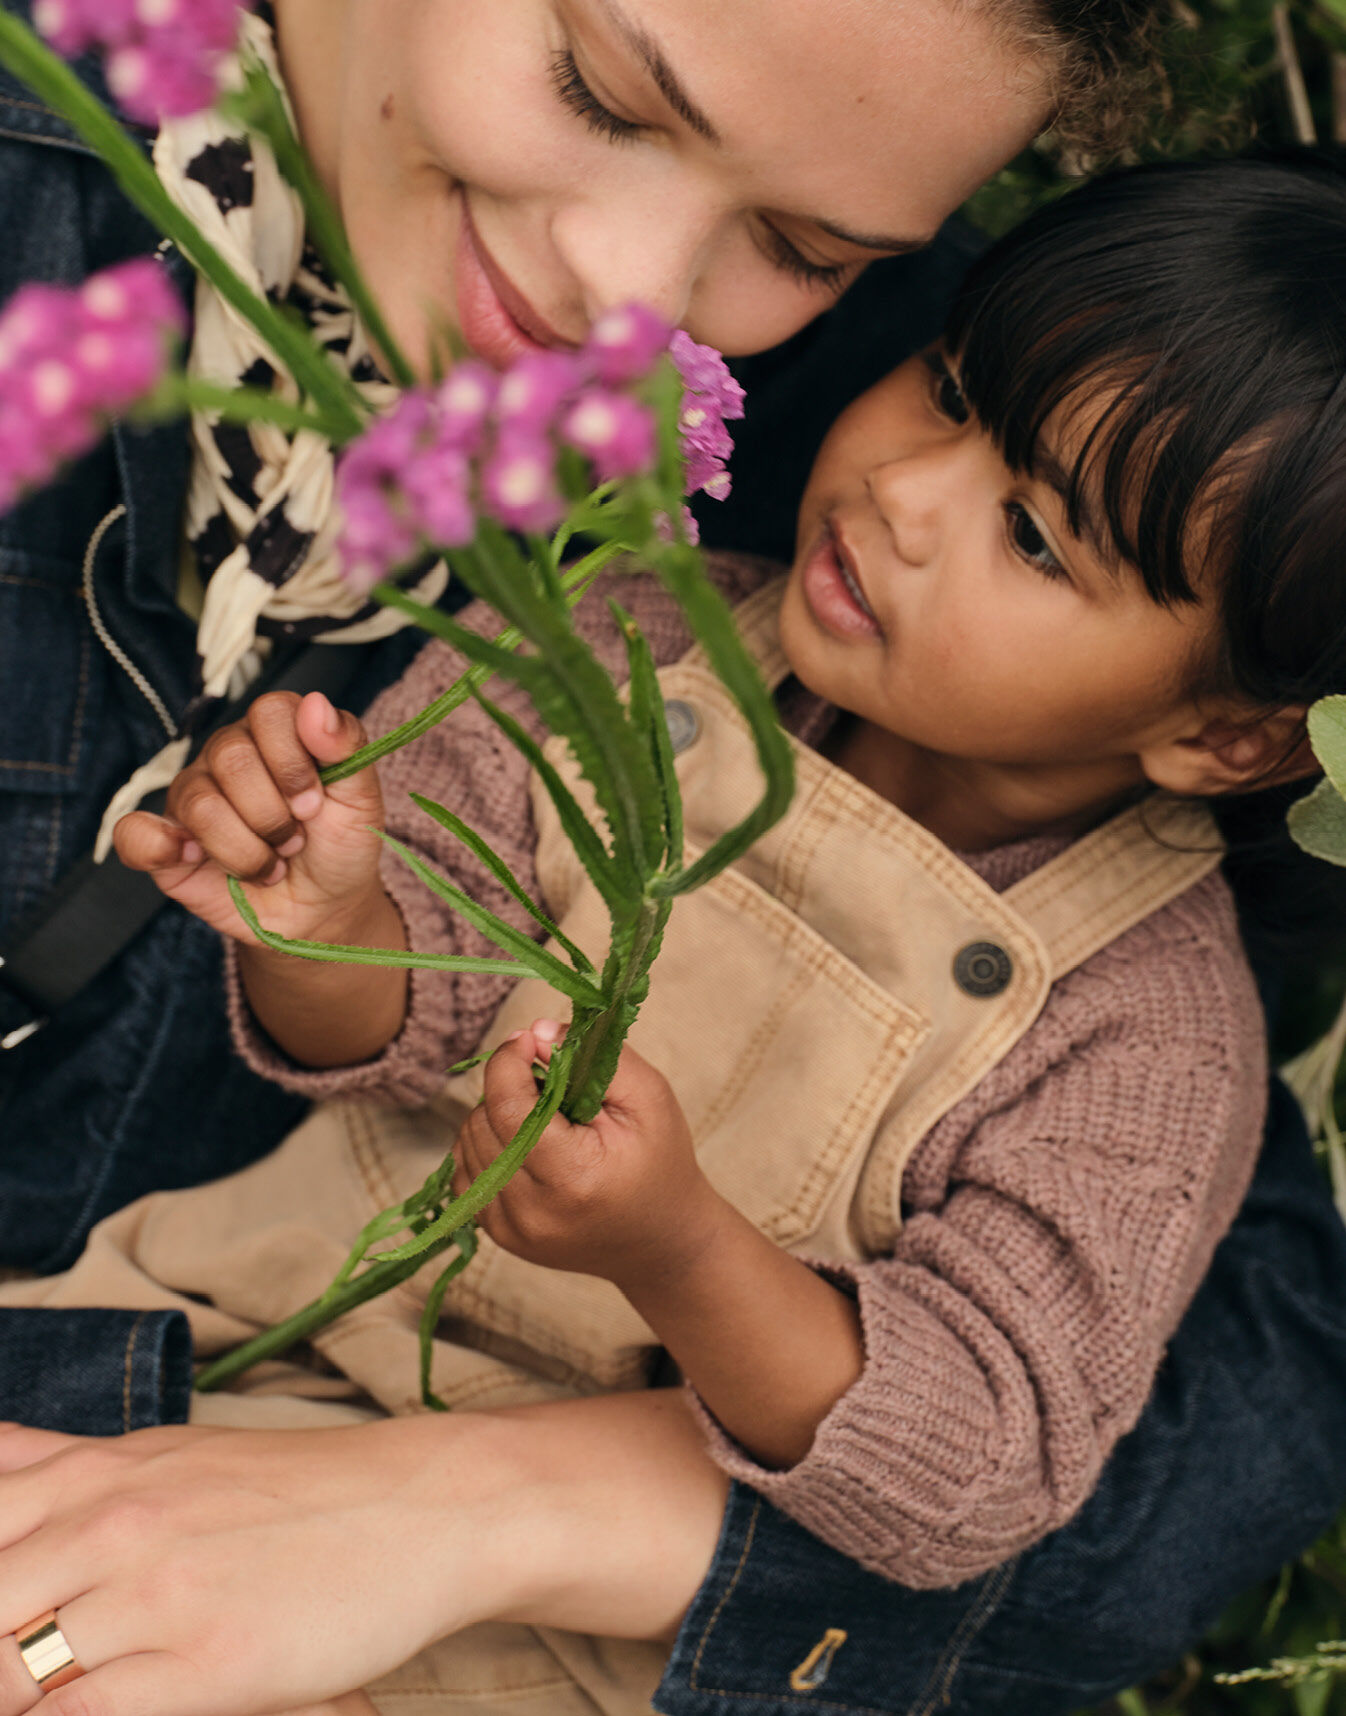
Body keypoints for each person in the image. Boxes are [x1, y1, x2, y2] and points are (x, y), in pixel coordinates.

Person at [0, 0, 1339, 1716]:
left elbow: (1240, 1369)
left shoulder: (889, 446)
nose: (630, 295)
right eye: (610, 92)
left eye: (804, 242)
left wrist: (521, 1500)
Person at [4, 150, 1342, 1716]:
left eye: (1034, 539)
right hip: (206, 1337)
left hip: (559, 1635)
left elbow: (967, 1466)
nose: (904, 495)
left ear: (1229, 738)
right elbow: (375, 1031)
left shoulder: (1148, 1032)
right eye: (951, 393)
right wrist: (328, 920)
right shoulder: (626, 630)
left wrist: (678, 1248)